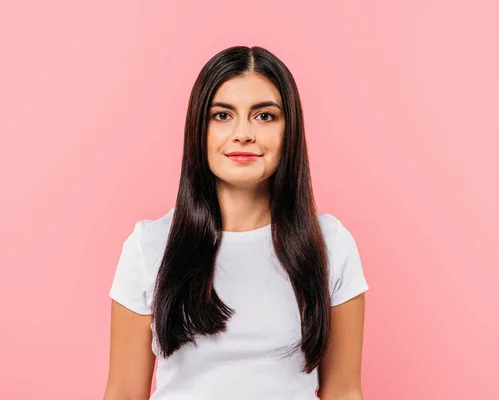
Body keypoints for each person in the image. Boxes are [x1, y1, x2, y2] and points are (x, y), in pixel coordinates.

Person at [103, 45, 369, 400]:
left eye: (264, 116)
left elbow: (344, 391)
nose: (243, 133)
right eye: (222, 115)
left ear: (290, 131)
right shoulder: (148, 245)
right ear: (199, 129)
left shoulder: (330, 244)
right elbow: (123, 391)